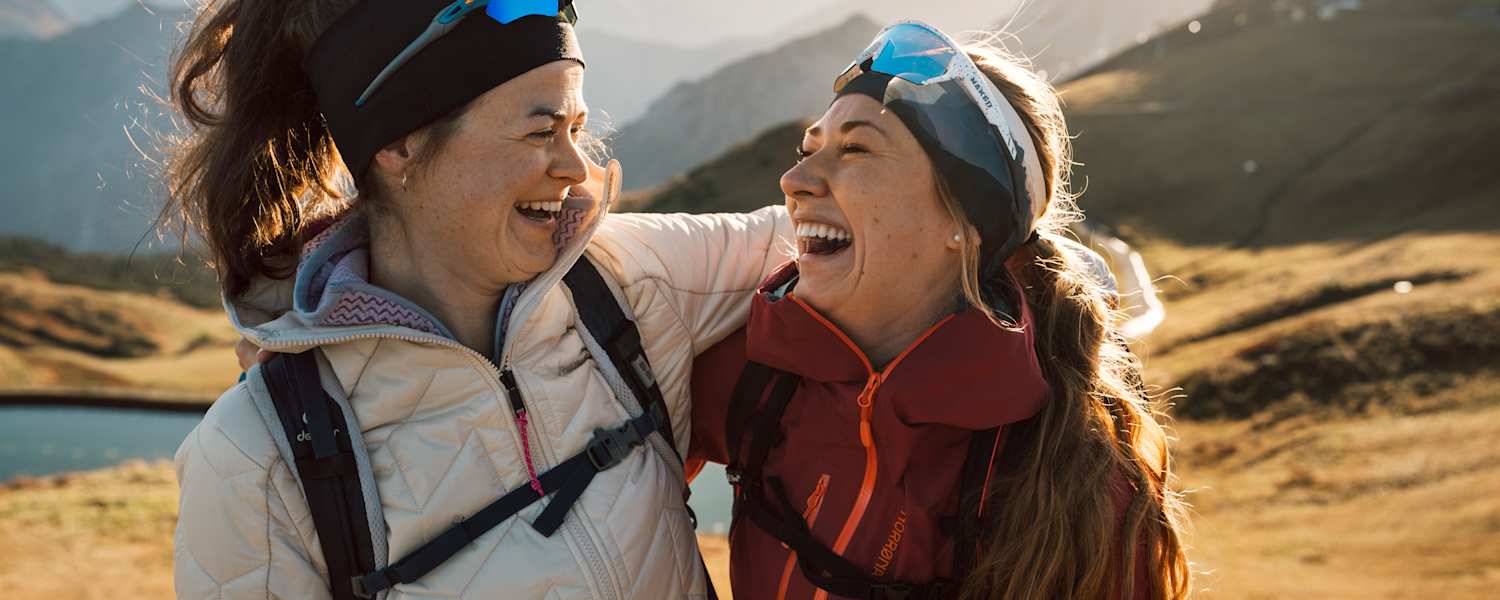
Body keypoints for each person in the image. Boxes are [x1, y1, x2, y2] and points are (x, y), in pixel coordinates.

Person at [164, 0, 788, 597]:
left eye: (577, 128)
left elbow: (837, 234)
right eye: (540, 131)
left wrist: (884, 85)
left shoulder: (628, 278)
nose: (576, 166)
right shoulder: (255, 458)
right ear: (400, 142)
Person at [686, 20, 1192, 600]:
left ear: (964, 220)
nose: (794, 180)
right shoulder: (748, 370)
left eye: (854, 149)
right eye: (808, 150)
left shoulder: (1077, 475)